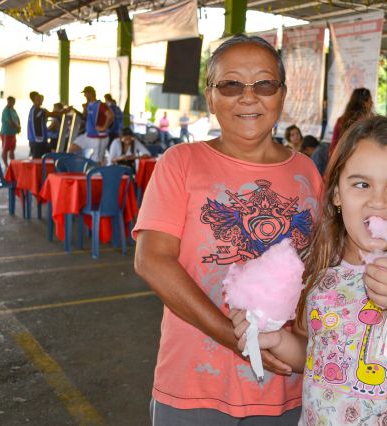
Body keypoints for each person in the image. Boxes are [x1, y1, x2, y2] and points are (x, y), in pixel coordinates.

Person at [231, 116, 387, 424]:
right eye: (362, 185)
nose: (378, 202)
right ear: (337, 193)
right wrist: (277, 341)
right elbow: (314, 353)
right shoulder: (316, 266)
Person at [133, 34, 323, 424]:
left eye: (264, 84)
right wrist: (235, 338)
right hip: (194, 389)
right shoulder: (180, 162)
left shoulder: (306, 171)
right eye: (231, 85)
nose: (248, 97)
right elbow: (151, 260)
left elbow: (322, 268)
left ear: (282, 94)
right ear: (210, 95)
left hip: (286, 390)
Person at [69, 86, 113, 164]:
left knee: (97, 161)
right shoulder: (88, 105)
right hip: (88, 134)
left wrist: (104, 127)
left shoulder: (100, 105)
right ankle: (80, 165)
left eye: (85, 94)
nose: (84, 96)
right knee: (73, 147)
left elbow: (110, 115)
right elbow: (85, 117)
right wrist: (81, 110)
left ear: (90, 93)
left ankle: (97, 171)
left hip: (98, 136)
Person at [329, 87, 374, 158]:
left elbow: (333, 147)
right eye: (370, 100)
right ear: (365, 103)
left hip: (342, 159)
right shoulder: (368, 122)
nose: (372, 103)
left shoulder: (341, 121)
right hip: (362, 158)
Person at [27, 91, 49, 159]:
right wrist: (62, 112)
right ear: (33, 100)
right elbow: (50, 114)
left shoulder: (40, 110)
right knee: (37, 160)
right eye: (38, 99)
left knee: (43, 160)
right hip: (36, 141)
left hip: (41, 140)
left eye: (41, 99)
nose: (41, 100)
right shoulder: (36, 111)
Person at [0, 96, 20, 167]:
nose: (12, 103)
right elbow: (10, 122)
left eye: (13, 102)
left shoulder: (13, 110)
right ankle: (6, 165)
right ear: (8, 101)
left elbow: (17, 119)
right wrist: (17, 127)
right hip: (6, 133)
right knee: (5, 149)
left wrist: (19, 127)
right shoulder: (6, 111)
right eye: (10, 102)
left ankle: (12, 164)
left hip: (13, 133)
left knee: (12, 149)